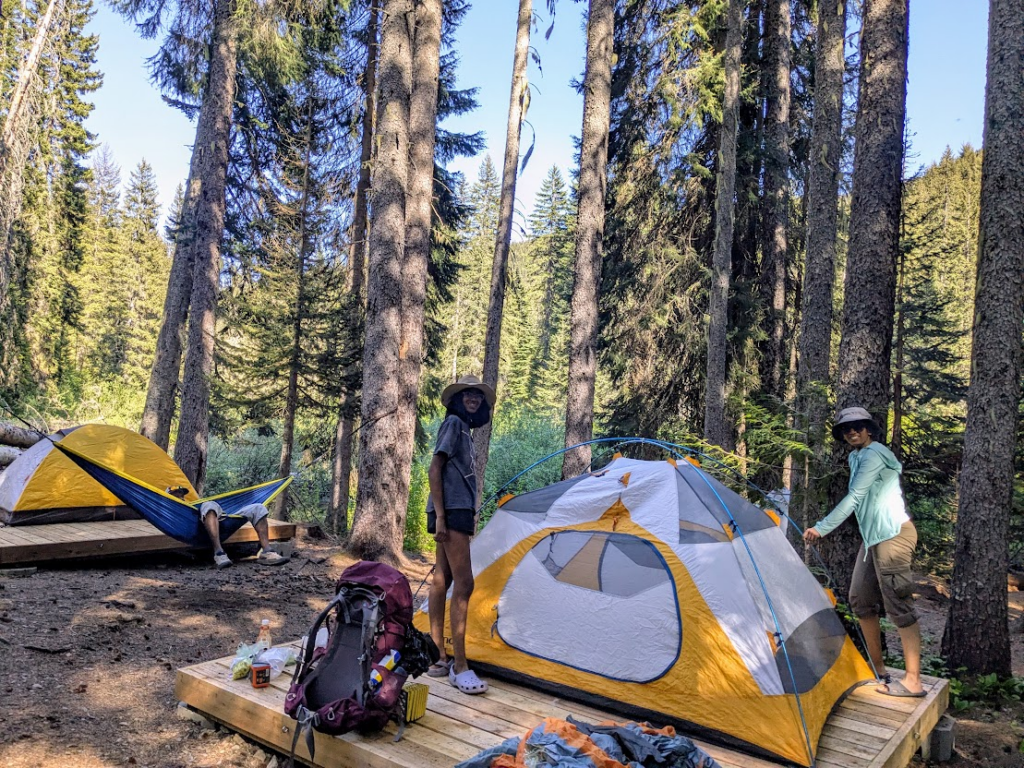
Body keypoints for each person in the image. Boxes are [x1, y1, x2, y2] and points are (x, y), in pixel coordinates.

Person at [803, 407, 924, 697]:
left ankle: (913, 681)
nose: (852, 432)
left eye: (858, 426)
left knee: (898, 604)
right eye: (847, 429)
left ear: (869, 429)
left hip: (894, 535)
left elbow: (855, 497)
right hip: (873, 541)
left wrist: (822, 527)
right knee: (860, 600)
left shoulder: (873, 454)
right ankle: (879, 671)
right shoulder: (856, 456)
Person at [426, 374, 494, 695]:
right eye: (467, 394)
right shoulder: (453, 423)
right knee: (465, 584)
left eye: (477, 396)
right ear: (457, 399)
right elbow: (434, 468)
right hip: (450, 512)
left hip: (456, 511)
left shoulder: (464, 429)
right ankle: (460, 666)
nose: (473, 399)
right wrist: (441, 515)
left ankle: (438, 656)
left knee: (443, 580)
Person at [166, 486, 289, 569]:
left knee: (258, 507)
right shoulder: (172, 512)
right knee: (208, 504)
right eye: (176, 496)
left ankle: (267, 551)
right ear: (168, 498)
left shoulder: (189, 508)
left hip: (224, 521)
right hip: (203, 524)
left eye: (182, 495)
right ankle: (219, 553)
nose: (181, 498)